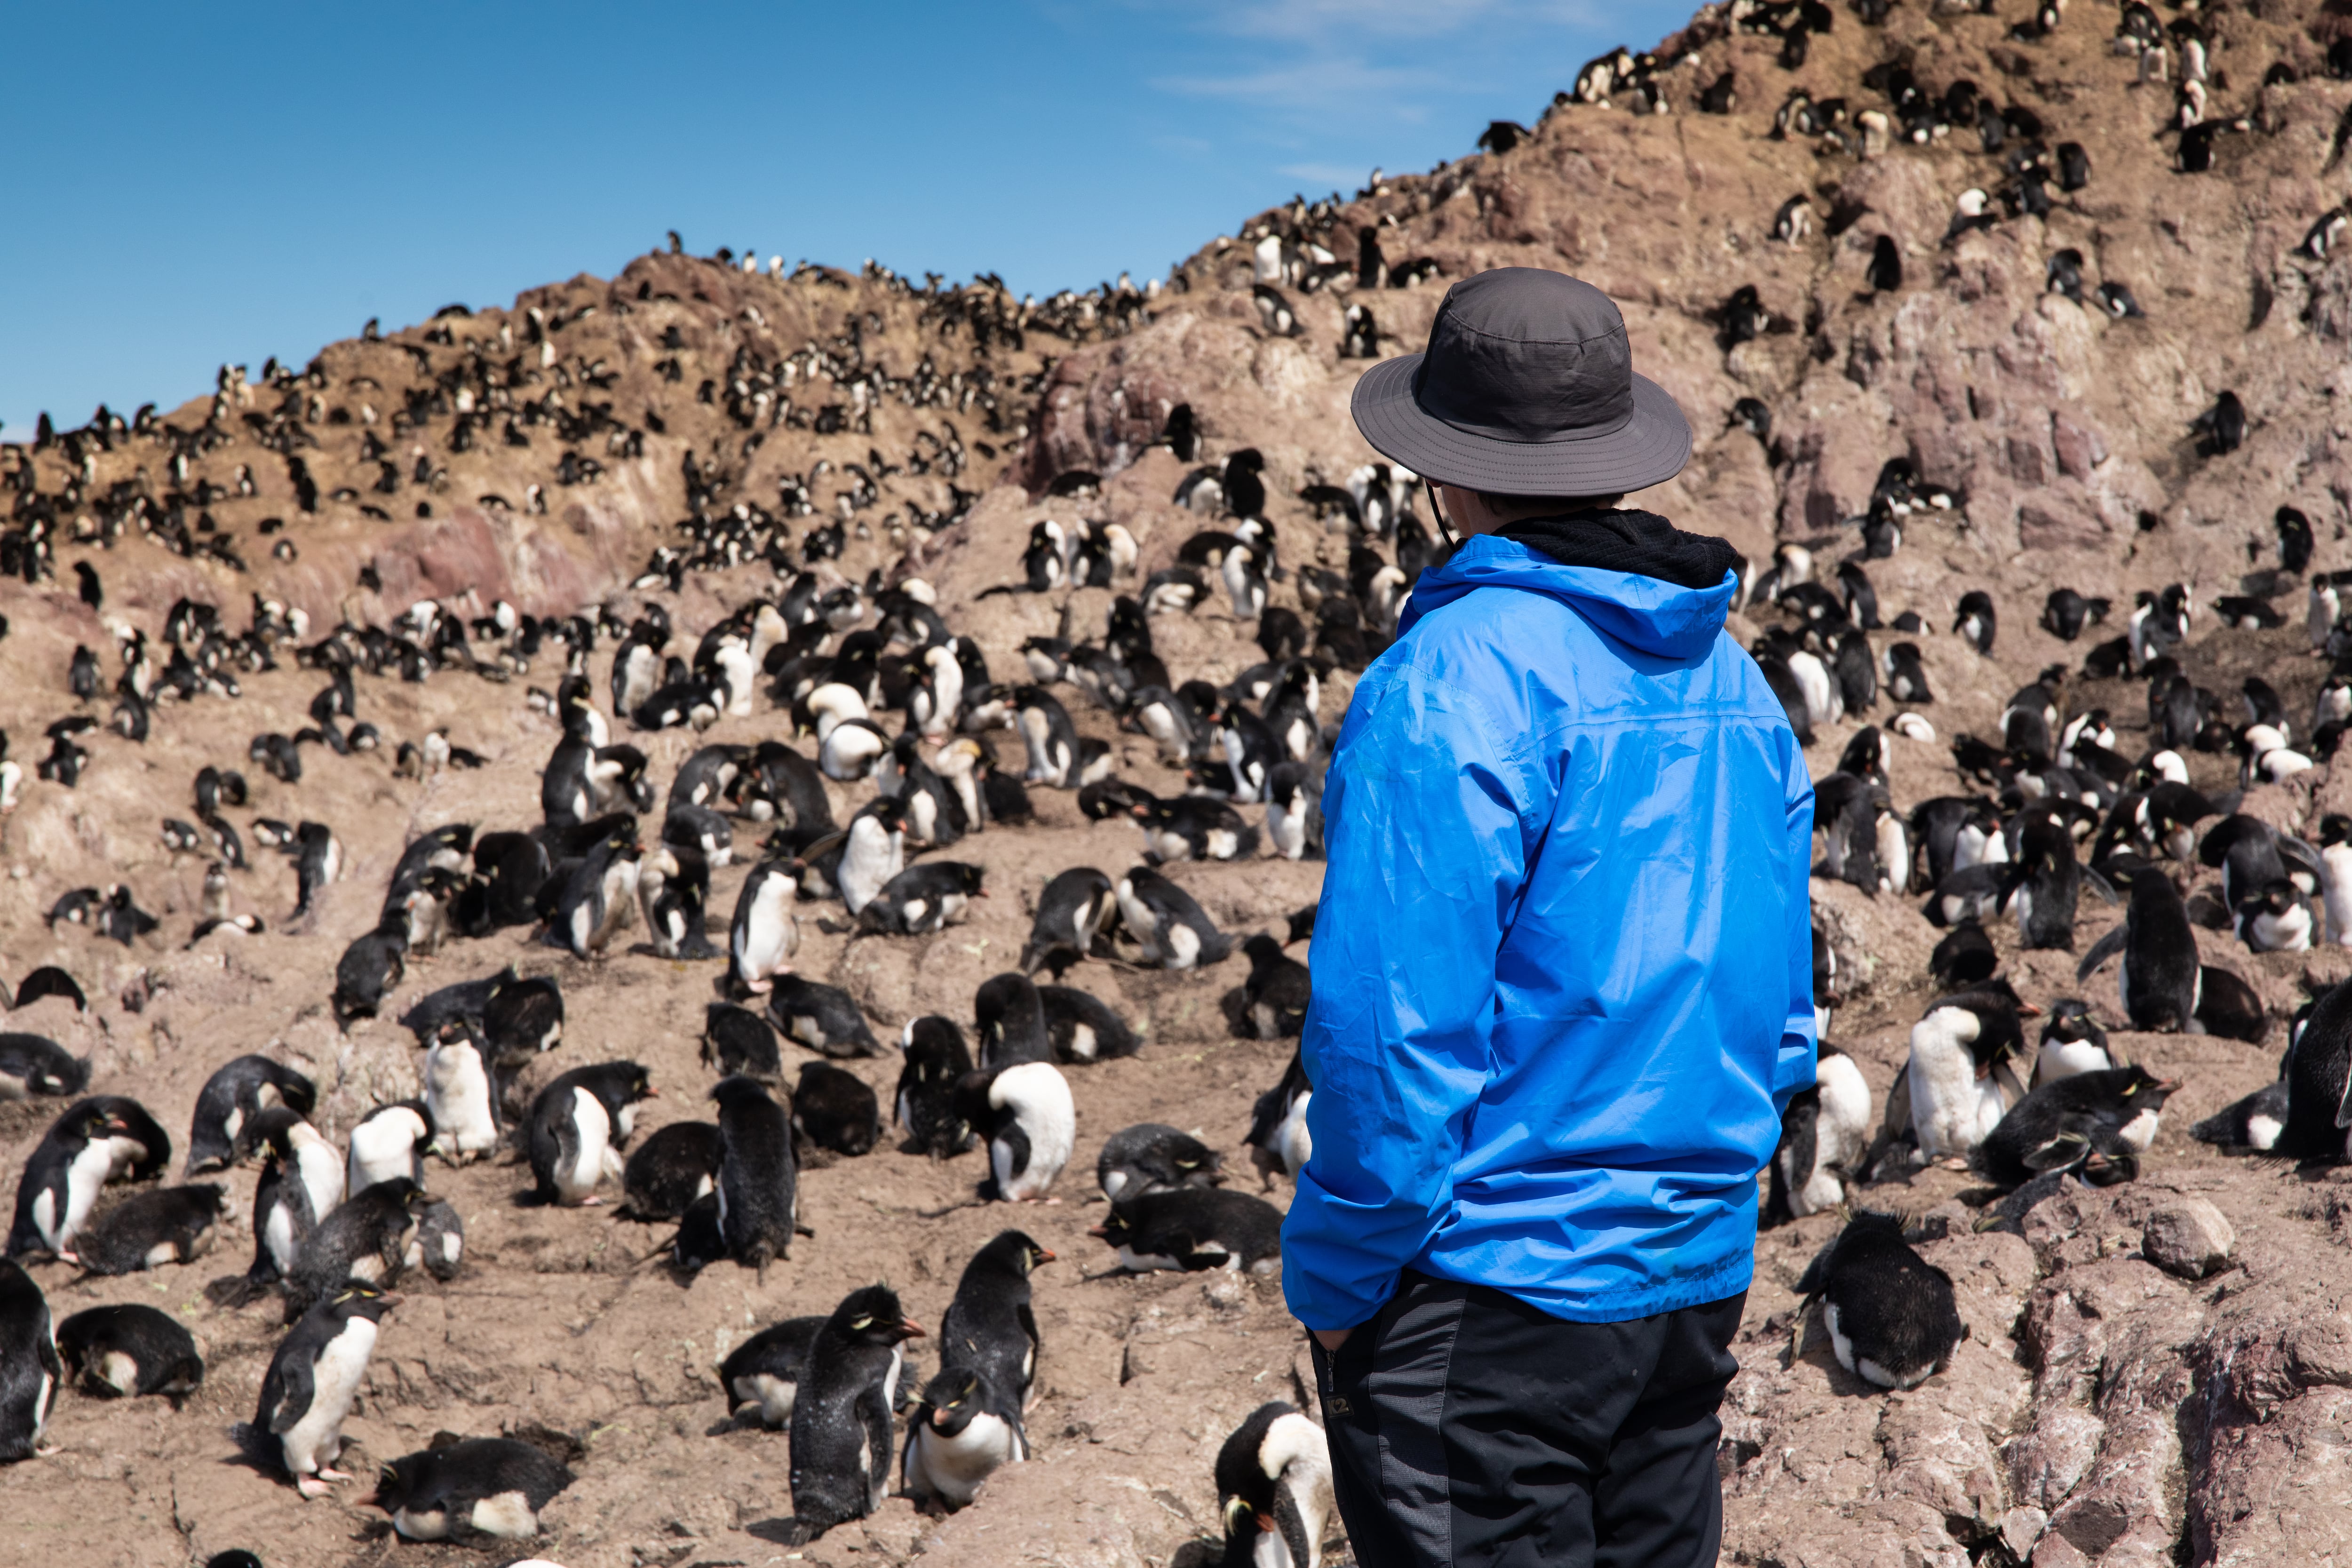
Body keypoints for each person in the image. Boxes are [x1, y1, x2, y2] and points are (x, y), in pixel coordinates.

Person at [1283, 267, 1816, 1568]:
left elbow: (1392, 1037)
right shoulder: (1731, 678)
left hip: (1494, 1295)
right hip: (1692, 1274)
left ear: (1443, 474)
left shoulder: (1450, 680)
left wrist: (1341, 1287)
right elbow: (1784, 1003)